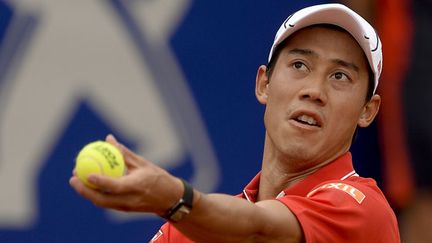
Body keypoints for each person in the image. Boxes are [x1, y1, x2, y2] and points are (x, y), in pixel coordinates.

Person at [69, 3, 400, 242]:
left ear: (367, 111)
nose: (314, 91)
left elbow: (259, 229)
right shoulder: (185, 230)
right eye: (299, 65)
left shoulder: (361, 208)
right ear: (264, 85)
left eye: (340, 76)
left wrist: (171, 198)